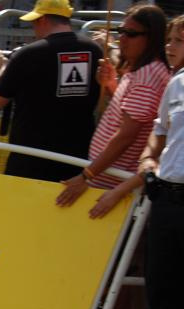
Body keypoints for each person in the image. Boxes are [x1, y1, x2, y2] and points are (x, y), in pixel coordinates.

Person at [109, 16, 183, 309]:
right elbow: (159, 131)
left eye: (181, 40)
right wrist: (149, 158)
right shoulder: (176, 83)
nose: (172, 46)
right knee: (162, 292)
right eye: (170, 39)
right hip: (168, 197)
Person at [56, 3, 170, 203]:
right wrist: (110, 85)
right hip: (107, 180)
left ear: (151, 38)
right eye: (121, 31)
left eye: (131, 34)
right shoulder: (141, 70)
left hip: (111, 188)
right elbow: (130, 113)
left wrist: (87, 175)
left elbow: (126, 135)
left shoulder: (148, 75)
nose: (122, 39)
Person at [0, 0, 102, 182]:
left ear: (43, 20)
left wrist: (1, 69)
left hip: (29, 159)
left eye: (34, 22)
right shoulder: (95, 50)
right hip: (77, 159)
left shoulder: (27, 54)